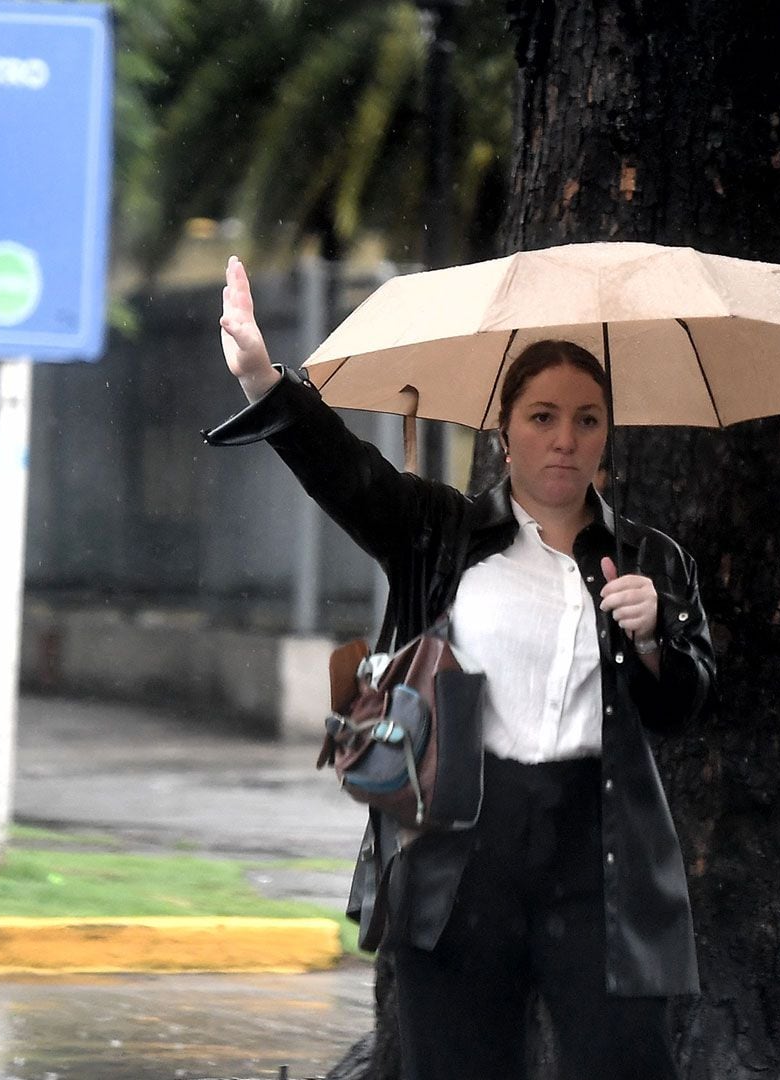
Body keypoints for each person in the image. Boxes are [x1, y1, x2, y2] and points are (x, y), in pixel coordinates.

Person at [203, 256, 715, 1079]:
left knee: (625, 1062)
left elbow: (684, 707)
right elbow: (345, 473)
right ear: (503, 431)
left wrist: (653, 637)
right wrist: (263, 375)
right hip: (462, 847)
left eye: (587, 420)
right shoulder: (439, 533)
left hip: (599, 852)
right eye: (542, 416)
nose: (564, 438)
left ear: (606, 437)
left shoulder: (648, 560)